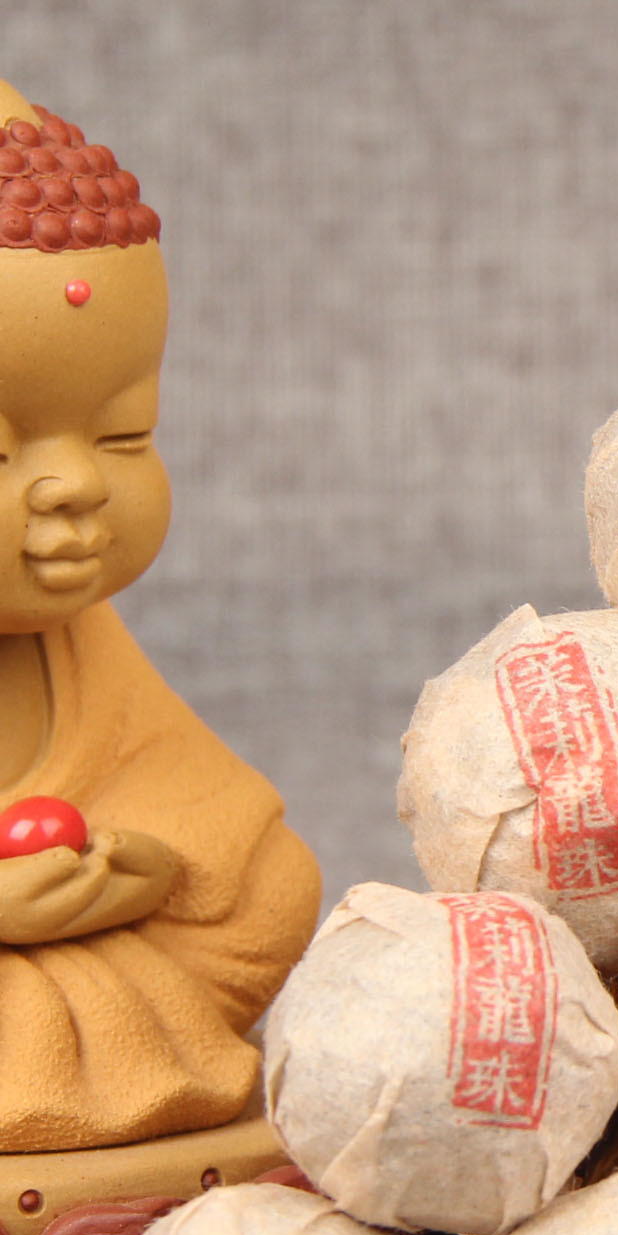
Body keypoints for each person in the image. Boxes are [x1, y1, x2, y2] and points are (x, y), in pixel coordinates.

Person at [0, 82, 320, 1153]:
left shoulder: (79, 637)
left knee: (271, 886)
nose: (76, 488)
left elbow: (176, 779)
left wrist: (142, 859)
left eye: (123, 434)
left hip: (74, 943)